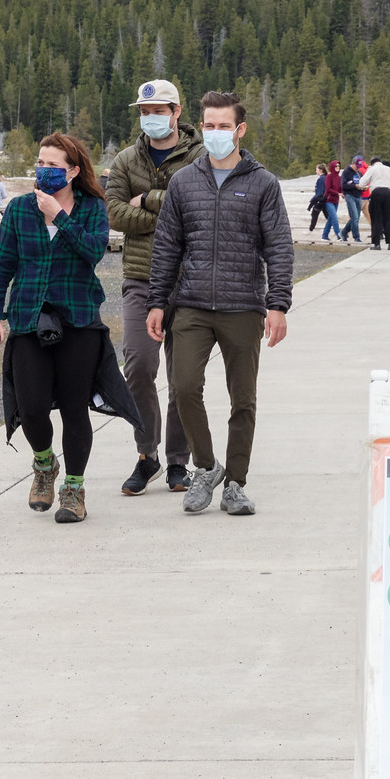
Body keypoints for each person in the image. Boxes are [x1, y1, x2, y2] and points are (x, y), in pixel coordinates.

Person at [145, 92, 294, 518]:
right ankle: (206, 468)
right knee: (184, 387)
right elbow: (167, 247)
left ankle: (236, 485)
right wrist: (157, 302)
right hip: (190, 305)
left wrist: (278, 303)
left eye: (223, 126)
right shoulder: (183, 182)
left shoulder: (263, 183)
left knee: (242, 399)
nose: (214, 133)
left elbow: (279, 246)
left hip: (243, 306)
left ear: (239, 130)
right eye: (208, 126)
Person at [0, 134, 123, 523]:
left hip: (77, 319)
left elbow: (95, 251)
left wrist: (59, 218)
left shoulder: (93, 207)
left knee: (76, 408)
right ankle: (44, 464)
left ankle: (74, 488)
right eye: (39, 163)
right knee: (31, 407)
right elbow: (1, 264)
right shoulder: (19, 209)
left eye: (53, 165)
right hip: (28, 317)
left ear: (73, 171)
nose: (43, 171)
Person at [103, 78, 205, 497]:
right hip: (141, 280)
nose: (151, 118)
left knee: (184, 377)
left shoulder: (200, 155)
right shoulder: (126, 159)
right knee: (139, 366)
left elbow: (198, 206)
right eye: (145, 112)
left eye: (159, 110)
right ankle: (148, 454)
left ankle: (178, 462)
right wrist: (167, 211)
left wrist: (145, 201)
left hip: (190, 281)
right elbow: (113, 214)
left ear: (177, 111)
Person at [363, 155, 390, 250]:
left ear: (372, 163)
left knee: (376, 218)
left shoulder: (372, 169)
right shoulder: (388, 169)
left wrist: (369, 184)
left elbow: (362, 182)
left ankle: (376, 244)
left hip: (376, 192)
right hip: (388, 192)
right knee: (389, 219)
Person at [342, 155, 366, 243]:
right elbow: (343, 185)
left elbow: (363, 182)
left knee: (356, 217)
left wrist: (363, 187)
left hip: (358, 196)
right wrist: (354, 186)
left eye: (359, 167)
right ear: (352, 163)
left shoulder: (359, 173)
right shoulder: (346, 172)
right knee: (355, 217)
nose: (358, 168)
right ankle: (356, 237)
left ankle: (344, 232)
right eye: (357, 166)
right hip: (350, 196)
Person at [322, 160, 345, 241]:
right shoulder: (329, 176)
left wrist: (343, 194)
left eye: (339, 166)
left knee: (330, 219)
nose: (338, 167)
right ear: (332, 167)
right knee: (334, 218)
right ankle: (339, 235)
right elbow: (328, 189)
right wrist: (338, 193)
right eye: (336, 166)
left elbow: (340, 189)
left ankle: (324, 236)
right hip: (328, 200)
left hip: (336, 201)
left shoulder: (339, 178)